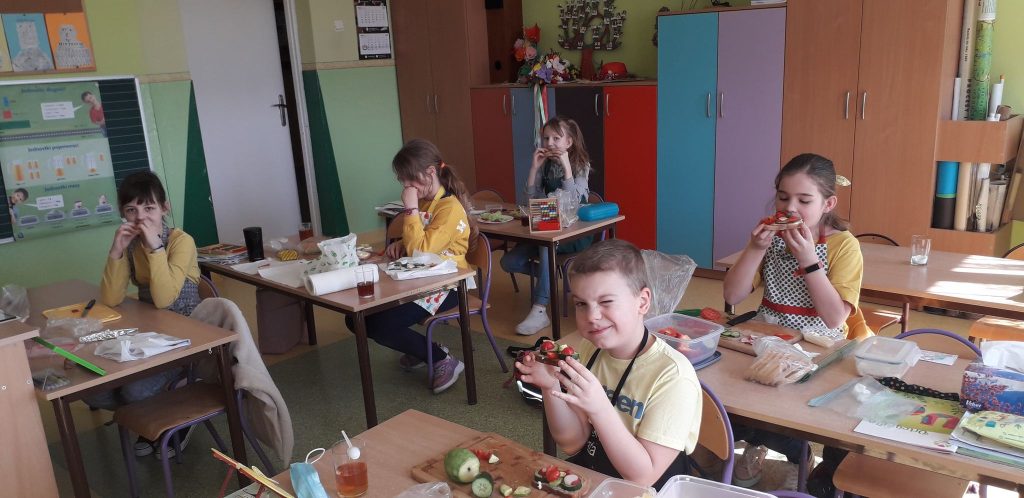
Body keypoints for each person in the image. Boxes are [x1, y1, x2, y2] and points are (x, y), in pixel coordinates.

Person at [722, 153, 868, 493]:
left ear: (827, 203)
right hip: (768, 337)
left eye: (804, 200)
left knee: (792, 411)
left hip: (820, 346)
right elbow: (732, 294)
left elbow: (834, 317)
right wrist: (755, 248)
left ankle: (797, 456)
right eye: (783, 197)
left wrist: (808, 259)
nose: (790, 208)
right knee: (734, 396)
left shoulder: (844, 245)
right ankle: (755, 442)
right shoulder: (772, 238)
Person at [516, 239, 701, 489]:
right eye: (581, 304)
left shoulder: (673, 376)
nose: (592, 316)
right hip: (596, 479)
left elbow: (643, 478)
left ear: (642, 302)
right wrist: (551, 388)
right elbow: (572, 442)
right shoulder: (590, 349)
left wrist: (600, 408)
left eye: (606, 302)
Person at [349, 138, 472, 394]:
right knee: (355, 318)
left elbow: (421, 252)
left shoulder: (449, 208)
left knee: (381, 325)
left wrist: (410, 209)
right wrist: (400, 244)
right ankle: (422, 349)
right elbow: (419, 243)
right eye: (402, 180)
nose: (406, 186)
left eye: (410, 179)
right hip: (420, 278)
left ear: (430, 172)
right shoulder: (426, 201)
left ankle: (441, 359)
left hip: (447, 286)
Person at [92, 170, 202, 457]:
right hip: (150, 333)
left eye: (149, 208)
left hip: (186, 337)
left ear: (165, 208)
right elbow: (111, 298)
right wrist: (116, 250)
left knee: (135, 391)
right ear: (123, 213)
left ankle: (178, 414)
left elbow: (164, 300)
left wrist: (156, 248)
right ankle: (155, 414)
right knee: (95, 392)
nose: (141, 218)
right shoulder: (131, 245)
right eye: (131, 210)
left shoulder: (181, 241)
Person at [501, 115, 592, 335]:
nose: (549, 143)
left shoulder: (581, 165)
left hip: (573, 233)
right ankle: (549, 278)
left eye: (555, 138)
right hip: (547, 226)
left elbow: (575, 202)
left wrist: (566, 167)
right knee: (509, 262)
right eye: (546, 138)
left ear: (568, 142)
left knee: (545, 248)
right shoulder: (546, 165)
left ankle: (540, 309)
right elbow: (530, 203)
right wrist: (534, 169)